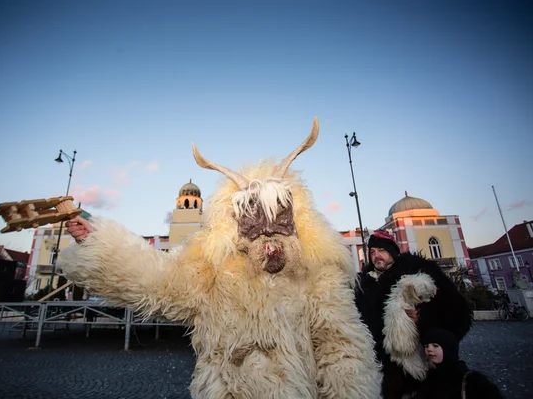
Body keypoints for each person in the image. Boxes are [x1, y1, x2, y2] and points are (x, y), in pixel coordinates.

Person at [58, 118, 382, 398]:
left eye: (279, 220)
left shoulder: (315, 271)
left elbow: (341, 348)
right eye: (253, 221)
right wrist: (98, 240)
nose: (268, 237)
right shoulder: (214, 270)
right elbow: (159, 281)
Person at [354, 230, 473, 398]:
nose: (376, 256)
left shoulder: (418, 272)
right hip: (377, 366)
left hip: (413, 364)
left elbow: (456, 310)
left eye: (381, 250)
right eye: (372, 252)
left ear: (393, 252)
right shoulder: (364, 283)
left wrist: (424, 317)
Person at [415, 328, 504, 399]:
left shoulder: (472, 381)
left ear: (448, 348)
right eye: (426, 346)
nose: (429, 349)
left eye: (435, 345)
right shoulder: (429, 379)